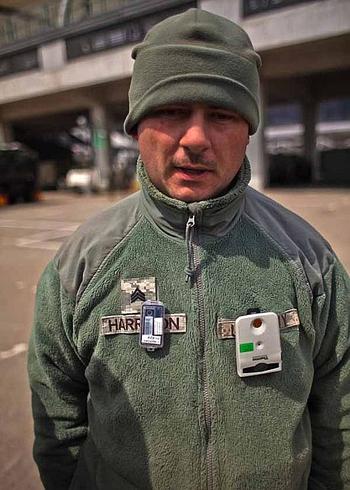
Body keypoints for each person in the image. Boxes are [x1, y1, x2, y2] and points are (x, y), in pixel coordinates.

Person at [28, 8, 350, 490]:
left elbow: (339, 419)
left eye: (220, 115)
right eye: (172, 111)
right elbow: (58, 422)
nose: (196, 138)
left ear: (249, 131)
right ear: (136, 127)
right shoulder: (82, 266)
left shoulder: (309, 260)